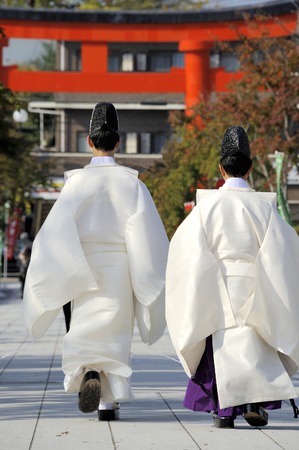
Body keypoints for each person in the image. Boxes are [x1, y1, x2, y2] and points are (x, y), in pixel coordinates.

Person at [23, 102, 169, 421]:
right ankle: (108, 402)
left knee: (85, 326)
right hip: (119, 265)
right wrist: (145, 276)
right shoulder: (133, 184)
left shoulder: (76, 183)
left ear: (89, 141)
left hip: (81, 264)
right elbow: (147, 236)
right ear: (118, 142)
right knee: (116, 333)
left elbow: (55, 233)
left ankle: (89, 373)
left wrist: (61, 271)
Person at [165, 125, 299, 428]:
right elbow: (284, 249)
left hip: (218, 283)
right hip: (257, 281)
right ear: (250, 168)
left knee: (221, 347)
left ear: (220, 168)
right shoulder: (266, 208)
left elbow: (184, 249)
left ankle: (224, 412)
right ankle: (254, 402)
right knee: (257, 343)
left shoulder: (206, 207)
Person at [17, 232, 32, 298]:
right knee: (24, 281)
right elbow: (19, 255)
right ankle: (23, 294)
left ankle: (24, 294)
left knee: (25, 281)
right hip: (24, 266)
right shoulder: (21, 245)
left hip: (26, 265)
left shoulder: (28, 245)